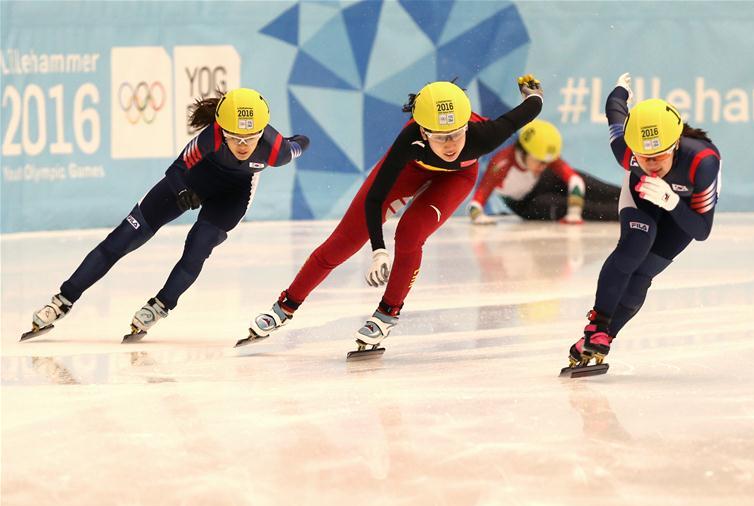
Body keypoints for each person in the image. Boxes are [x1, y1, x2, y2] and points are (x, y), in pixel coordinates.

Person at [237, 75, 544, 354]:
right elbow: (375, 200)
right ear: (422, 131)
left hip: (456, 179)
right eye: (439, 137)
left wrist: (532, 92)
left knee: (410, 233)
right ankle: (285, 306)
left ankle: (388, 313)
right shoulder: (408, 142)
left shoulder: (483, 135)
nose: (450, 145)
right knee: (344, 241)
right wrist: (378, 250)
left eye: (456, 134)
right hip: (411, 169)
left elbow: (531, 108)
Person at [21, 88, 310, 342]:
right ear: (221, 129)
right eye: (235, 137)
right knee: (123, 238)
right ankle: (63, 300)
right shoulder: (210, 139)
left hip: (232, 195)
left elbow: (301, 142)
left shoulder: (276, 151)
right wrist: (184, 193)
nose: (244, 146)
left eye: (251, 137)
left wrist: (294, 141)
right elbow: (176, 170)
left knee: (200, 244)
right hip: (193, 181)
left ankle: (161, 304)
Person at [566, 73, 721, 374]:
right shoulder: (625, 151)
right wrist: (620, 90)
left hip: (684, 206)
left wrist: (673, 202)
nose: (651, 165)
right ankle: (596, 327)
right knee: (635, 246)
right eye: (644, 157)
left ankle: (606, 337)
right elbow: (614, 109)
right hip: (642, 196)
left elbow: (701, 231)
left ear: (676, 144)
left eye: (659, 157)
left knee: (642, 275)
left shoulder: (703, 163)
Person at [466, 119, 619, 224]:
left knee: (591, 185)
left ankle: (634, 198)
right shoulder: (501, 164)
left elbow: (575, 180)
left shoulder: (543, 159)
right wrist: (477, 216)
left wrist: (574, 211)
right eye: (540, 161)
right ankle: (624, 214)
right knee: (567, 206)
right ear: (524, 152)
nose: (544, 166)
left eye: (547, 162)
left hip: (543, 183)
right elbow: (477, 202)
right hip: (526, 204)